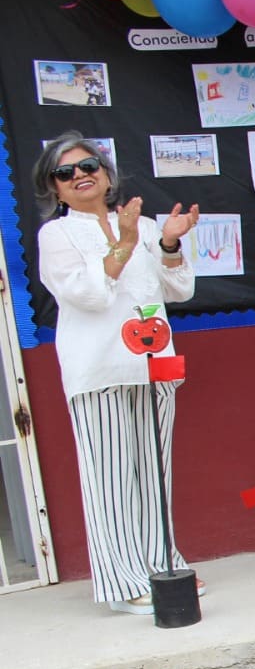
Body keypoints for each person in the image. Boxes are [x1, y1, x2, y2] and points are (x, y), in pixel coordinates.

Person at [33, 133, 201, 614]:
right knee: (109, 478)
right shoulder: (57, 235)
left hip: (156, 362)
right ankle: (122, 580)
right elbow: (87, 295)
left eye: (89, 165)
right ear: (56, 189)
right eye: (66, 172)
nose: (80, 175)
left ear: (106, 173)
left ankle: (162, 562)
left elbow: (178, 288)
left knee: (155, 471)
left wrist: (167, 240)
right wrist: (125, 243)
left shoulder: (145, 224)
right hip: (99, 368)